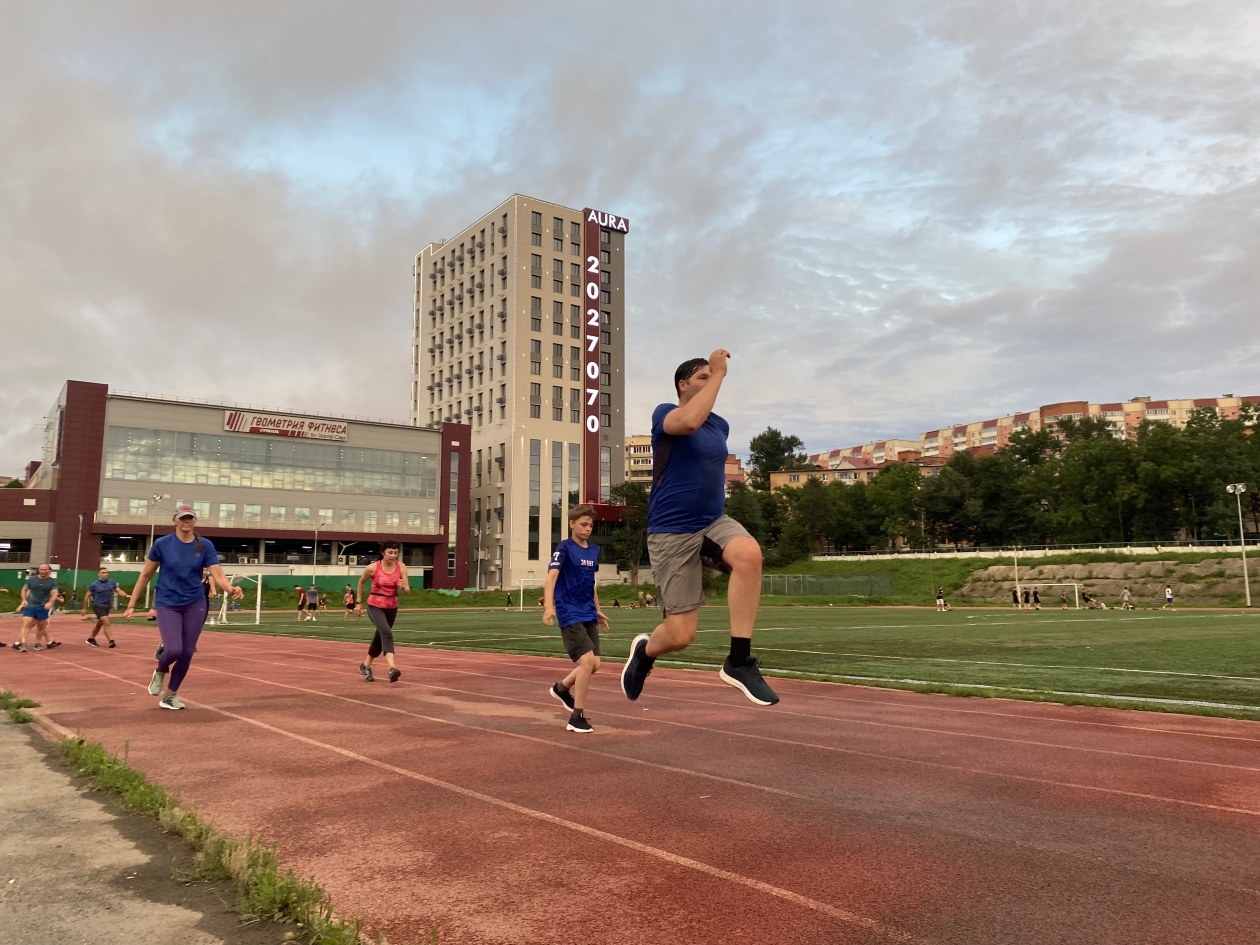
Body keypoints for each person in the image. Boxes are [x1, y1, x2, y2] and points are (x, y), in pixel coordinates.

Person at [620, 351, 778, 706]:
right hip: (671, 530)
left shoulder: (719, 425)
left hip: (711, 521)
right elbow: (688, 423)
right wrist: (720, 374)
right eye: (702, 377)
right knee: (680, 635)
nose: (709, 381)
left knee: (749, 554)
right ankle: (645, 652)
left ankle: (739, 661)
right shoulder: (666, 413)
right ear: (683, 384)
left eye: (711, 376)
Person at [124, 505, 242, 710]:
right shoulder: (162, 544)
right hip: (168, 602)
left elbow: (218, 574)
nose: (186, 521)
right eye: (182, 518)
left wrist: (230, 589)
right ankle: (161, 669)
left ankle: (170, 696)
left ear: (195, 520)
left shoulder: (204, 545)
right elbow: (145, 575)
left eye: (190, 518)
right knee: (175, 649)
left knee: (187, 652)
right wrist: (132, 604)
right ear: (174, 520)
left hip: (195, 603)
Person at [545, 505, 610, 733]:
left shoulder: (593, 550)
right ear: (572, 524)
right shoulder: (564, 548)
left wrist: (598, 609)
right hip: (569, 610)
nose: (587, 529)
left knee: (596, 664)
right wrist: (549, 606)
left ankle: (562, 688)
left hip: (587, 611)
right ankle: (576, 717)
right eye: (583, 524)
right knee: (586, 661)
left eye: (590, 525)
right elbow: (552, 576)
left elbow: (590, 582)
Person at [355, 541, 411, 682]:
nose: (393, 555)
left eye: (395, 552)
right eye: (390, 552)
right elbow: (361, 582)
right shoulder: (373, 568)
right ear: (383, 553)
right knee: (386, 633)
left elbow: (407, 591)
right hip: (375, 605)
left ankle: (365, 666)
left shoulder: (402, 567)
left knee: (379, 637)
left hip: (392, 606)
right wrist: (358, 602)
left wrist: (403, 586)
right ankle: (392, 668)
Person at [13, 563, 61, 652]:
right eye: (41, 569)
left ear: (49, 570)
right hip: (30, 605)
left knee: (41, 625)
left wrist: (50, 603)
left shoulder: (52, 581)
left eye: (45, 569)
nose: (43, 571)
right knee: (27, 623)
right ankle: (23, 644)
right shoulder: (31, 579)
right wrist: (23, 600)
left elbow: (55, 593)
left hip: (43, 606)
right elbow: (24, 590)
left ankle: (37, 643)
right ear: (38, 570)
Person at [84, 566, 125, 647]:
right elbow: (86, 596)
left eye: (107, 573)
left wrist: (127, 595)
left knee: (99, 624)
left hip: (107, 606)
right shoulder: (94, 584)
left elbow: (119, 591)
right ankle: (111, 641)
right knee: (106, 621)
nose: (105, 574)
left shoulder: (111, 582)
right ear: (99, 574)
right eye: (103, 573)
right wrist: (84, 608)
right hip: (98, 605)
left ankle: (91, 639)